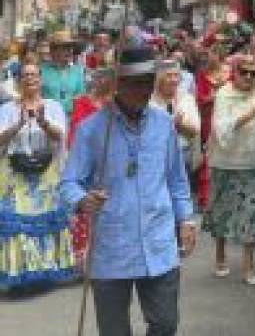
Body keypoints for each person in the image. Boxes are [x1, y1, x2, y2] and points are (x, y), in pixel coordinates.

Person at [60, 46, 196, 336]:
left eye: (148, 81)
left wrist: (186, 219)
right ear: (117, 84)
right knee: (113, 330)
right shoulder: (92, 130)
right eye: (135, 82)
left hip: (158, 244)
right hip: (111, 248)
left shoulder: (164, 125)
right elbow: (68, 183)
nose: (144, 89)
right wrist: (83, 199)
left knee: (165, 323)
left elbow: (177, 180)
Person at [0, 58, 74, 289]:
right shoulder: (6, 109)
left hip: (46, 173)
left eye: (34, 75)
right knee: (17, 223)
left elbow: (60, 135)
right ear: (19, 80)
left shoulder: (53, 106)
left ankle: (46, 270)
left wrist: (42, 122)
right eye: (25, 75)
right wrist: (17, 125)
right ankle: (20, 272)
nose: (30, 78)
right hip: (15, 172)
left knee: (48, 220)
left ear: (41, 80)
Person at [202, 55, 255, 286]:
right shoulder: (224, 94)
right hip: (225, 162)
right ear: (234, 73)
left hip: (252, 162)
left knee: (251, 216)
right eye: (244, 72)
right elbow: (221, 129)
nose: (248, 77)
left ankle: (248, 267)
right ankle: (220, 256)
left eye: (253, 73)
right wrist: (251, 114)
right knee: (222, 211)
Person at [66, 68, 115, 273]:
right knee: (86, 212)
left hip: (109, 163)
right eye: (99, 77)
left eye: (107, 78)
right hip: (86, 161)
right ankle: (85, 261)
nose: (102, 81)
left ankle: (106, 257)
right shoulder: (82, 102)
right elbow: (75, 133)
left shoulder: (114, 105)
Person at [150, 59, 201, 186]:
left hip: (181, 157)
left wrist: (179, 125)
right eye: (169, 75)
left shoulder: (186, 99)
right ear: (158, 78)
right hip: (153, 158)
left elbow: (195, 130)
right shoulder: (148, 100)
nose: (173, 80)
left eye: (176, 75)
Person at [194, 50, 225, 211]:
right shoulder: (202, 76)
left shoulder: (226, 73)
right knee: (208, 156)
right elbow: (200, 99)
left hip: (224, 119)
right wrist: (214, 96)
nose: (207, 60)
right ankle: (204, 197)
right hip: (208, 120)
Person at [41, 30, 86, 118]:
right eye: (65, 48)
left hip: (70, 118)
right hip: (48, 118)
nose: (69, 51)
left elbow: (81, 97)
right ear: (53, 50)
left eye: (70, 48)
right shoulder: (42, 70)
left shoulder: (77, 71)